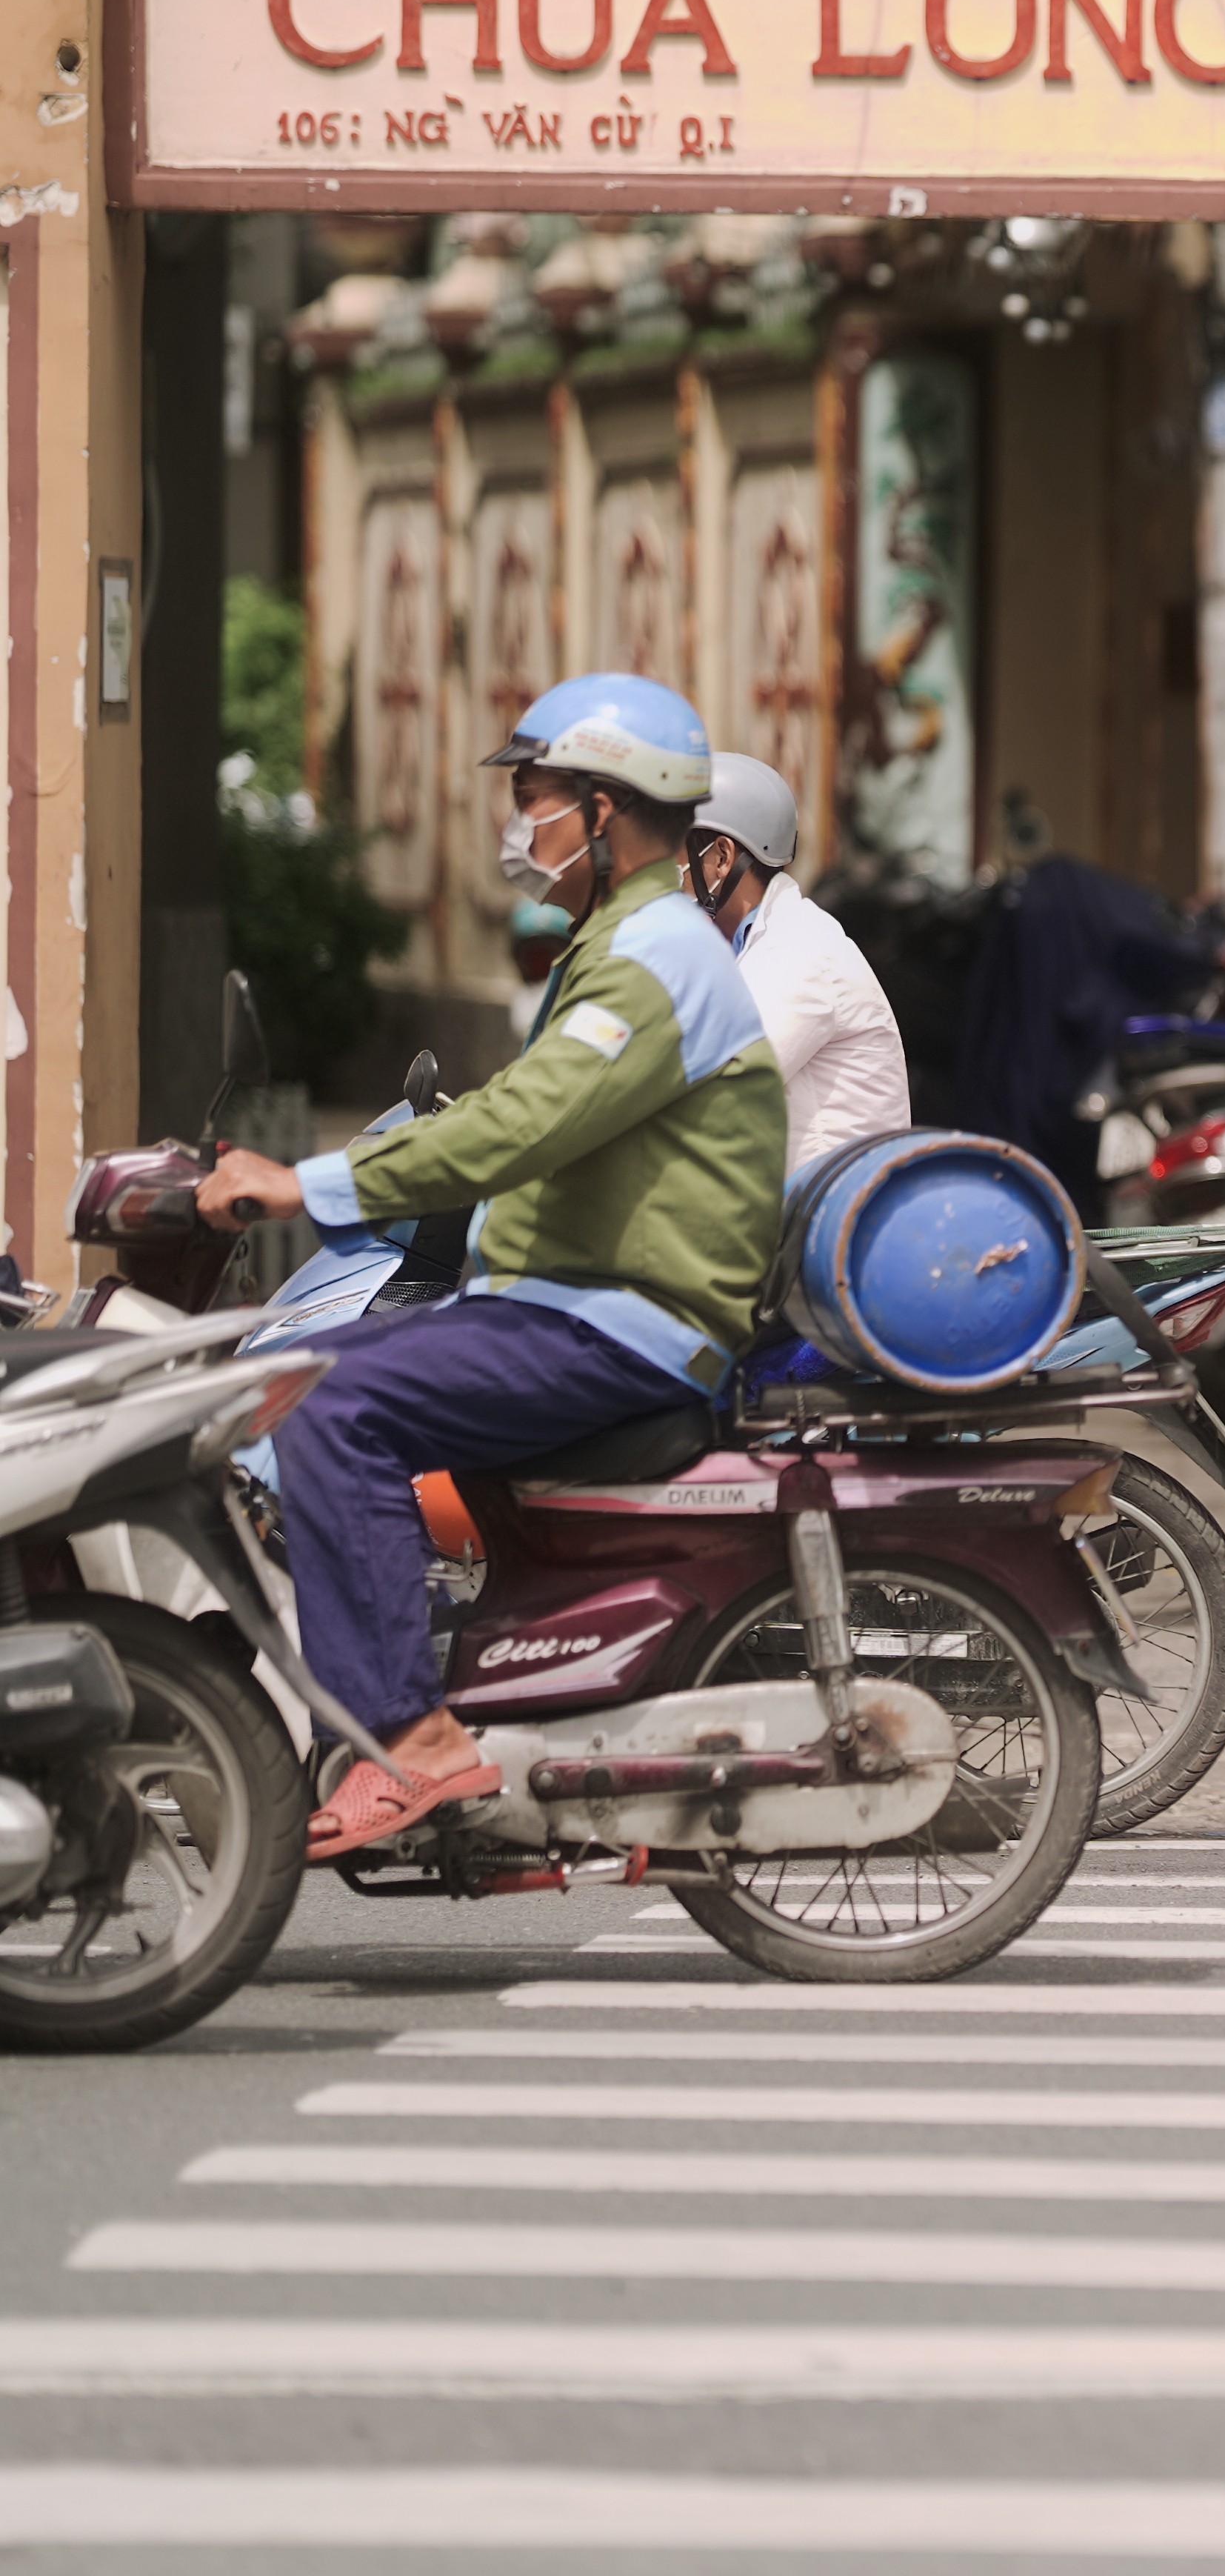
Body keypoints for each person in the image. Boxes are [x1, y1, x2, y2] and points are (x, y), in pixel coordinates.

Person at [196, 675, 792, 1860]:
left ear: (610, 810)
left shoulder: (654, 957)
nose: (522, 827)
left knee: (321, 1401)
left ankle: (409, 1741)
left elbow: (524, 1126)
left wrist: (300, 1185)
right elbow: (526, 1110)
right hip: (575, 1307)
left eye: (539, 799)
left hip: (621, 1325)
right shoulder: (622, 943)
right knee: (309, 1373)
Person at [685, 752, 915, 1174]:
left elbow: (710, 1086)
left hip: (828, 1221)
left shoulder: (799, 952)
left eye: (675, 854)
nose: (668, 873)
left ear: (721, 857)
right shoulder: (758, 944)